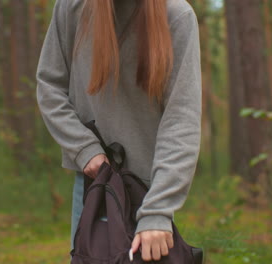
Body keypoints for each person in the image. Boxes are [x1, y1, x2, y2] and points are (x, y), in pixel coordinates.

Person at [36, 0, 201, 261]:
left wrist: (158, 210)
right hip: (95, 184)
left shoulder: (177, 15)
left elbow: (181, 120)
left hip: (151, 188)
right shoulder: (73, 7)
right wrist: (84, 149)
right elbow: (50, 85)